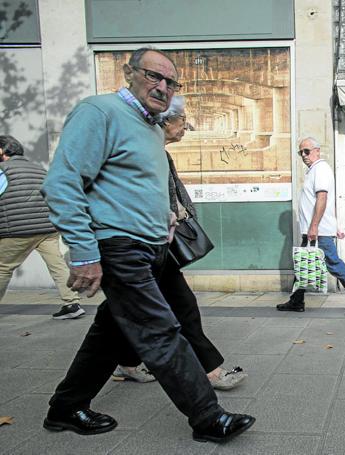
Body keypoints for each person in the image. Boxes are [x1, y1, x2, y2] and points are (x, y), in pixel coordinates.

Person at [40, 47, 254, 443]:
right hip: (120, 246)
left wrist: (165, 218)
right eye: (153, 76)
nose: (162, 87)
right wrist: (85, 252)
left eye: (171, 82)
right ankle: (208, 418)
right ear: (129, 73)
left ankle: (66, 408)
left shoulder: (152, 126)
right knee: (160, 331)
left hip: (154, 248)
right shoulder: (99, 112)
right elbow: (62, 184)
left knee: (113, 333)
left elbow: (134, 187)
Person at [114, 96, 247, 390]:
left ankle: (124, 363)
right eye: (182, 119)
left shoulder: (156, 151)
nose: (185, 125)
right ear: (164, 121)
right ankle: (211, 371)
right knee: (182, 305)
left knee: (122, 311)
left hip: (153, 243)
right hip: (147, 243)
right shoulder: (146, 152)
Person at [277, 137, 345, 317]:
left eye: (307, 151)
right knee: (303, 262)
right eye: (301, 152)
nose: (304, 155)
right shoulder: (314, 170)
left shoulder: (320, 169)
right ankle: (296, 301)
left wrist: (314, 227)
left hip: (317, 231)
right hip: (315, 230)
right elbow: (329, 203)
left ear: (317, 150)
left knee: (334, 264)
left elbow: (323, 198)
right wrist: (334, 224)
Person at [0, 135, 84, 320]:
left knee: (3, 267)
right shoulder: (38, 169)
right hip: (47, 228)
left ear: (2, 151)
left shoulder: (2, 170)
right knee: (57, 264)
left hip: (18, 229)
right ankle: (72, 303)